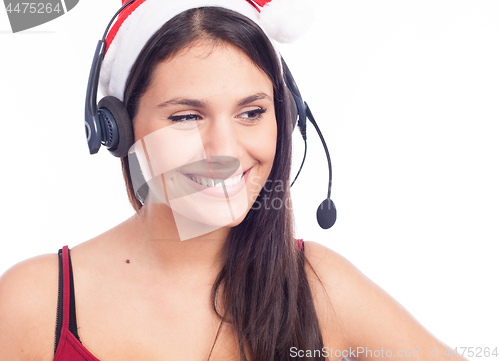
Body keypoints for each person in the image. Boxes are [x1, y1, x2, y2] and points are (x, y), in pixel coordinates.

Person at [0, 1, 469, 360]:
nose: (224, 149)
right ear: (119, 129)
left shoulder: (319, 288)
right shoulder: (34, 303)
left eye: (252, 112)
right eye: (186, 116)